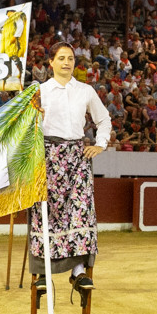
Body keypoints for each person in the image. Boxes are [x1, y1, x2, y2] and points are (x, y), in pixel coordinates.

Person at [29, 42, 112, 296]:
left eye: (71, 58)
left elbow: (104, 119)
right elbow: (27, 125)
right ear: (51, 62)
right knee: (46, 212)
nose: (67, 62)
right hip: (47, 156)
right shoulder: (39, 91)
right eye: (61, 58)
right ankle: (43, 274)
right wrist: (34, 117)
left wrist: (100, 145)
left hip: (77, 158)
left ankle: (78, 272)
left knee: (80, 212)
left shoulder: (85, 90)